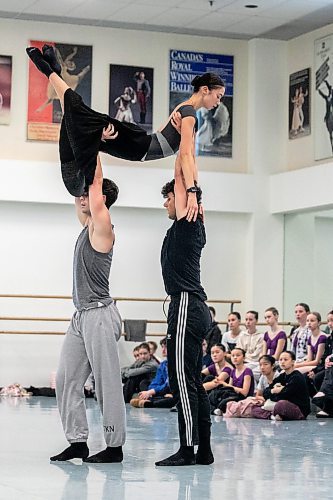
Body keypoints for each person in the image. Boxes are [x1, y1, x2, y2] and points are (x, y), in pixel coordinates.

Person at [25, 45, 225, 209]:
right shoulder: (189, 112)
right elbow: (187, 156)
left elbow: (183, 153)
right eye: (218, 96)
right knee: (78, 115)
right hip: (137, 145)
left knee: (78, 118)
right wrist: (192, 192)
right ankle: (50, 72)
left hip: (138, 144)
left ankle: (53, 72)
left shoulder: (185, 110)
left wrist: (196, 196)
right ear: (205, 90)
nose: (218, 101)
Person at [156, 80, 225, 465]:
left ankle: (187, 449)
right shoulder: (183, 224)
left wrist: (185, 117)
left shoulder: (188, 215)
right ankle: (204, 450)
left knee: (182, 379)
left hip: (186, 305)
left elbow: (184, 161)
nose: (167, 202)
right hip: (190, 306)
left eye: (168, 197)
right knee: (192, 381)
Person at [50, 155, 126, 464]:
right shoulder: (86, 226)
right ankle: (78, 441)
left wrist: (94, 146)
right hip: (81, 316)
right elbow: (80, 191)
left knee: (106, 382)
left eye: (88, 194)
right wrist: (76, 147)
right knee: (66, 378)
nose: (81, 198)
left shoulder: (103, 228)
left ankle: (114, 446)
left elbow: (95, 187)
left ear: (101, 200)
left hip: (99, 315)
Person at [253, 351, 310, 421]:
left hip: (299, 409)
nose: (282, 362)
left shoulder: (297, 377)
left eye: (285, 360)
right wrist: (273, 390)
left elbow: (285, 395)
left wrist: (279, 393)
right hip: (282, 405)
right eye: (280, 360)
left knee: (281, 404)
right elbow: (265, 392)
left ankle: (273, 415)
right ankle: (273, 415)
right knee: (254, 409)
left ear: (292, 362)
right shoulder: (282, 376)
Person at [130, 337, 175, 409]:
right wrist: (150, 391)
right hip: (163, 392)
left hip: (173, 391)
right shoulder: (163, 364)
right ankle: (151, 399)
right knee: (143, 383)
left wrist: (150, 392)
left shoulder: (176, 364)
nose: (163, 350)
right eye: (162, 347)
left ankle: (151, 403)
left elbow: (168, 384)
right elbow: (156, 381)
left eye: (166, 347)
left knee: (173, 399)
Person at [210, 348, 254, 416]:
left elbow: (244, 392)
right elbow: (229, 388)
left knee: (225, 401)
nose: (235, 357)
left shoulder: (247, 371)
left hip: (241, 397)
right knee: (212, 395)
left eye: (238, 355)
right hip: (233, 394)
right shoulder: (233, 370)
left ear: (244, 357)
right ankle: (215, 410)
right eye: (233, 356)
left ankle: (216, 410)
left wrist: (225, 384)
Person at [236, 310, 264, 381]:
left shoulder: (261, 336)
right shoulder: (242, 335)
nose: (248, 322)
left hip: (256, 363)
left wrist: (244, 356)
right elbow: (239, 351)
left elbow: (257, 354)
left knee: (250, 373)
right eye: (246, 319)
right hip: (244, 362)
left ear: (256, 321)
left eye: (251, 319)